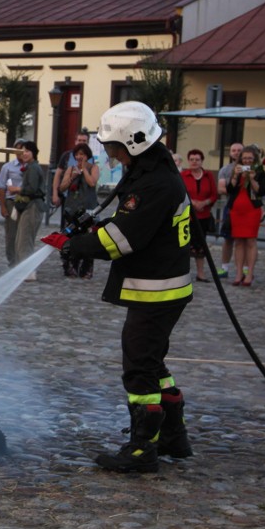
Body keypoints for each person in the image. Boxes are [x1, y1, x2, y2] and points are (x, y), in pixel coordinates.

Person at [41, 101, 193, 473]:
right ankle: (174, 436)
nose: (111, 155)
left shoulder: (155, 183)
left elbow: (121, 241)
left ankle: (143, 450)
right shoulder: (152, 172)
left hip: (156, 290)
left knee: (139, 368)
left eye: (114, 149)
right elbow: (130, 221)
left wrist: (73, 245)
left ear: (135, 143)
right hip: (163, 288)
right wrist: (91, 230)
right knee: (154, 363)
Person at [226, 144, 265, 287]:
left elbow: (261, 192)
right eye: (245, 159)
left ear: (255, 159)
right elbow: (229, 189)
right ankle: (238, 273)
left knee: (250, 241)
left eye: (250, 158)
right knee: (238, 241)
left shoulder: (260, 171)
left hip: (251, 209)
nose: (247, 161)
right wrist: (236, 176)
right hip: (237, 209)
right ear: (241, 160)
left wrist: (252, 179)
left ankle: (249, 274)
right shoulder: (235, 170)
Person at [6, 140, 46, 281]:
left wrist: (16, 189)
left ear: (33, 153)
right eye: (22, 151)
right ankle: (23, 268)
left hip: (33, 206)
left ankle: (29, 271)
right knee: (21, 239)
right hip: (29, 206)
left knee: (25, 239)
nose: (24, 154)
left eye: (27, 151)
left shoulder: (34, 168)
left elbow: (32, 189)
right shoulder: (30, 167)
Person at [58, 142, 99, 278]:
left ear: (87, 156)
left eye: (82, 154)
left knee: (88, 238)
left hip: (88, 208)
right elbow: (62, 187)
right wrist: (72, 177)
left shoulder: (94, 168)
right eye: (77, 154)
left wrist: (84, 170)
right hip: (73, 208)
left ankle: (86, 269)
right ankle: (71, 266)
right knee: (70, 237)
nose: (79, 157)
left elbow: (92, 182)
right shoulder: (70, 169)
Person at [181, 149, 218, 282]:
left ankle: (201, 273)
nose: (194, 162)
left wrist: (205, 202)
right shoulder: (183, 176)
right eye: (192, 160)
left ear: (202, 161)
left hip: (203, 216)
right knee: (185, 245)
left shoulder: (208, 176)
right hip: (187, 216)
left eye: (197, 160)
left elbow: (214, 194)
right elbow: (180, 193)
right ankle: (183, 273)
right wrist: (192, 203)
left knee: (201, 245)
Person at [0, 138, 26, 267]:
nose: (21, 152)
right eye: (18, 149)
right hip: (12, 202)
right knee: (11, 233)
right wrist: (2, 206)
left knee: (24, 233)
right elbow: (1, 188)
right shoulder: (7, 167)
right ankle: (12, 260)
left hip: (27, 202)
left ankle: (22, 259)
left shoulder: (31, 165)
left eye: (23, 149)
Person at [216, 142, 244, 278]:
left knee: (245, 240)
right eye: (233, 150)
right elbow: (220, 189)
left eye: (239, 150)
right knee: (228, 239)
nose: (236, 152)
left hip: (247, 208)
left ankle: (245, 268)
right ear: (230, 153)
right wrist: (234, 190)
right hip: (231, 206)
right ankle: (224, 267)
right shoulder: (225, 170)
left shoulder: (250, 168)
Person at [51, 131, 90, 223]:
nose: (81, 143)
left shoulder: (91, 157)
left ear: (88, 142)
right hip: (68, 197)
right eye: (79, 140)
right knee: (66, 224)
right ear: (75, 141)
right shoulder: (67, 156)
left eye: (84, 141)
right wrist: (55, 194)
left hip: (85, 198)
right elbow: (58, 174)